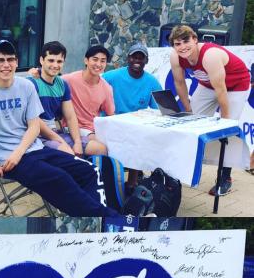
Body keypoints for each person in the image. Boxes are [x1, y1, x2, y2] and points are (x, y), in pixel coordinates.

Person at [0, 39, 119, 217]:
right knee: (61, 179)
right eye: (0, 60)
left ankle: (98, 218)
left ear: (17, 62)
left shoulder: (26, 86)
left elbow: (34, 126)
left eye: (10, 59)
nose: (6, 65)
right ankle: (109, 219)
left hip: (36, 150)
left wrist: (23, 150)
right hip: (9, 161)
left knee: (90, 171)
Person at [169, 25, 250, 196]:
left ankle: (225, 177)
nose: (183, 47)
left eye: (186, 41)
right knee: (190, 124)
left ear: (195, 40)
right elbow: (179, 83)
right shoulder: (175, 57)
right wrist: (189, 110)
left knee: (227, 131)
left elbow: (221, 89)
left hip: (235, 85)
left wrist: (225, 121)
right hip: (207, 85)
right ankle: (185, 168)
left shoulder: (210, 55)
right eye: (178, 43)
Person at [103, 42, 162, 189]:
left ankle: (132, 182)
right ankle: (111, 181)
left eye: (141, 58)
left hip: (135, 125)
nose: (137, 60)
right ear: (128, 58)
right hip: (111, 120)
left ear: (146, 61)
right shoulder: (111, 76)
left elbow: (159, 109)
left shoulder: (152, 82)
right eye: (134, 57)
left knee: (139, 138)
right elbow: (93, 87)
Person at [26, 41, 81, 156]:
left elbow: (70, 117)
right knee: (69, 154)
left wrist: (77, 142)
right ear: (41, 60)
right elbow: (35, 121)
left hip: (57, 133)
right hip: (39, 137)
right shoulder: (32, 83)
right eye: (51, 60)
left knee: (99, 148)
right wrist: (62, 142)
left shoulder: (62, 84)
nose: (55, 65)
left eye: (59, 61)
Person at [61, 45, 115, 156]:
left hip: (92, 129)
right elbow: (51, 79)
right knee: (103, 147)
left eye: (103, 61)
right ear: (86, 60)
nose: (98, 64)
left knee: (118, 143)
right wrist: (37, 72)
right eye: (95, 59)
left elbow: (111, 114)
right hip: (70, 127)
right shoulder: (69, 79)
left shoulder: (106, 87)